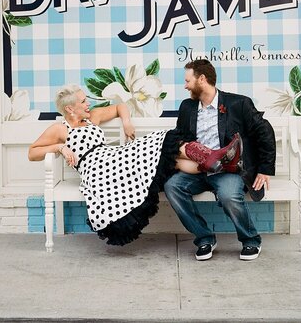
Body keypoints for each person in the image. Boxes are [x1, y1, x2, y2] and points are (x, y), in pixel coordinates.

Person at [28, 84, 241, 246]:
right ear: (70, 109)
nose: (88, 104)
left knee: (169, 156)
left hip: (114, 158)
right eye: (83, 102)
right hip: (97, 171)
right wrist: (59, 148)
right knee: (161, 144)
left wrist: (127, 121)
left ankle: (217, 162)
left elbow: (121, 106)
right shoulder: (60, 129)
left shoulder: (93, 117)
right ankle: (218, 159)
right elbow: (32, 152)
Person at [164, 59, 276, 261]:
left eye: (188, 80)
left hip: (227, 171)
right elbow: (180, 136)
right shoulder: (187, 107)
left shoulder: (238, 103)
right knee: (172, 186)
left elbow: (264, 131)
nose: (185, 85)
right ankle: (204, 238)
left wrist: (265, 169)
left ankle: (251, 240)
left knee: (228, 195)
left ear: (202, 79)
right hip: (197, 170)